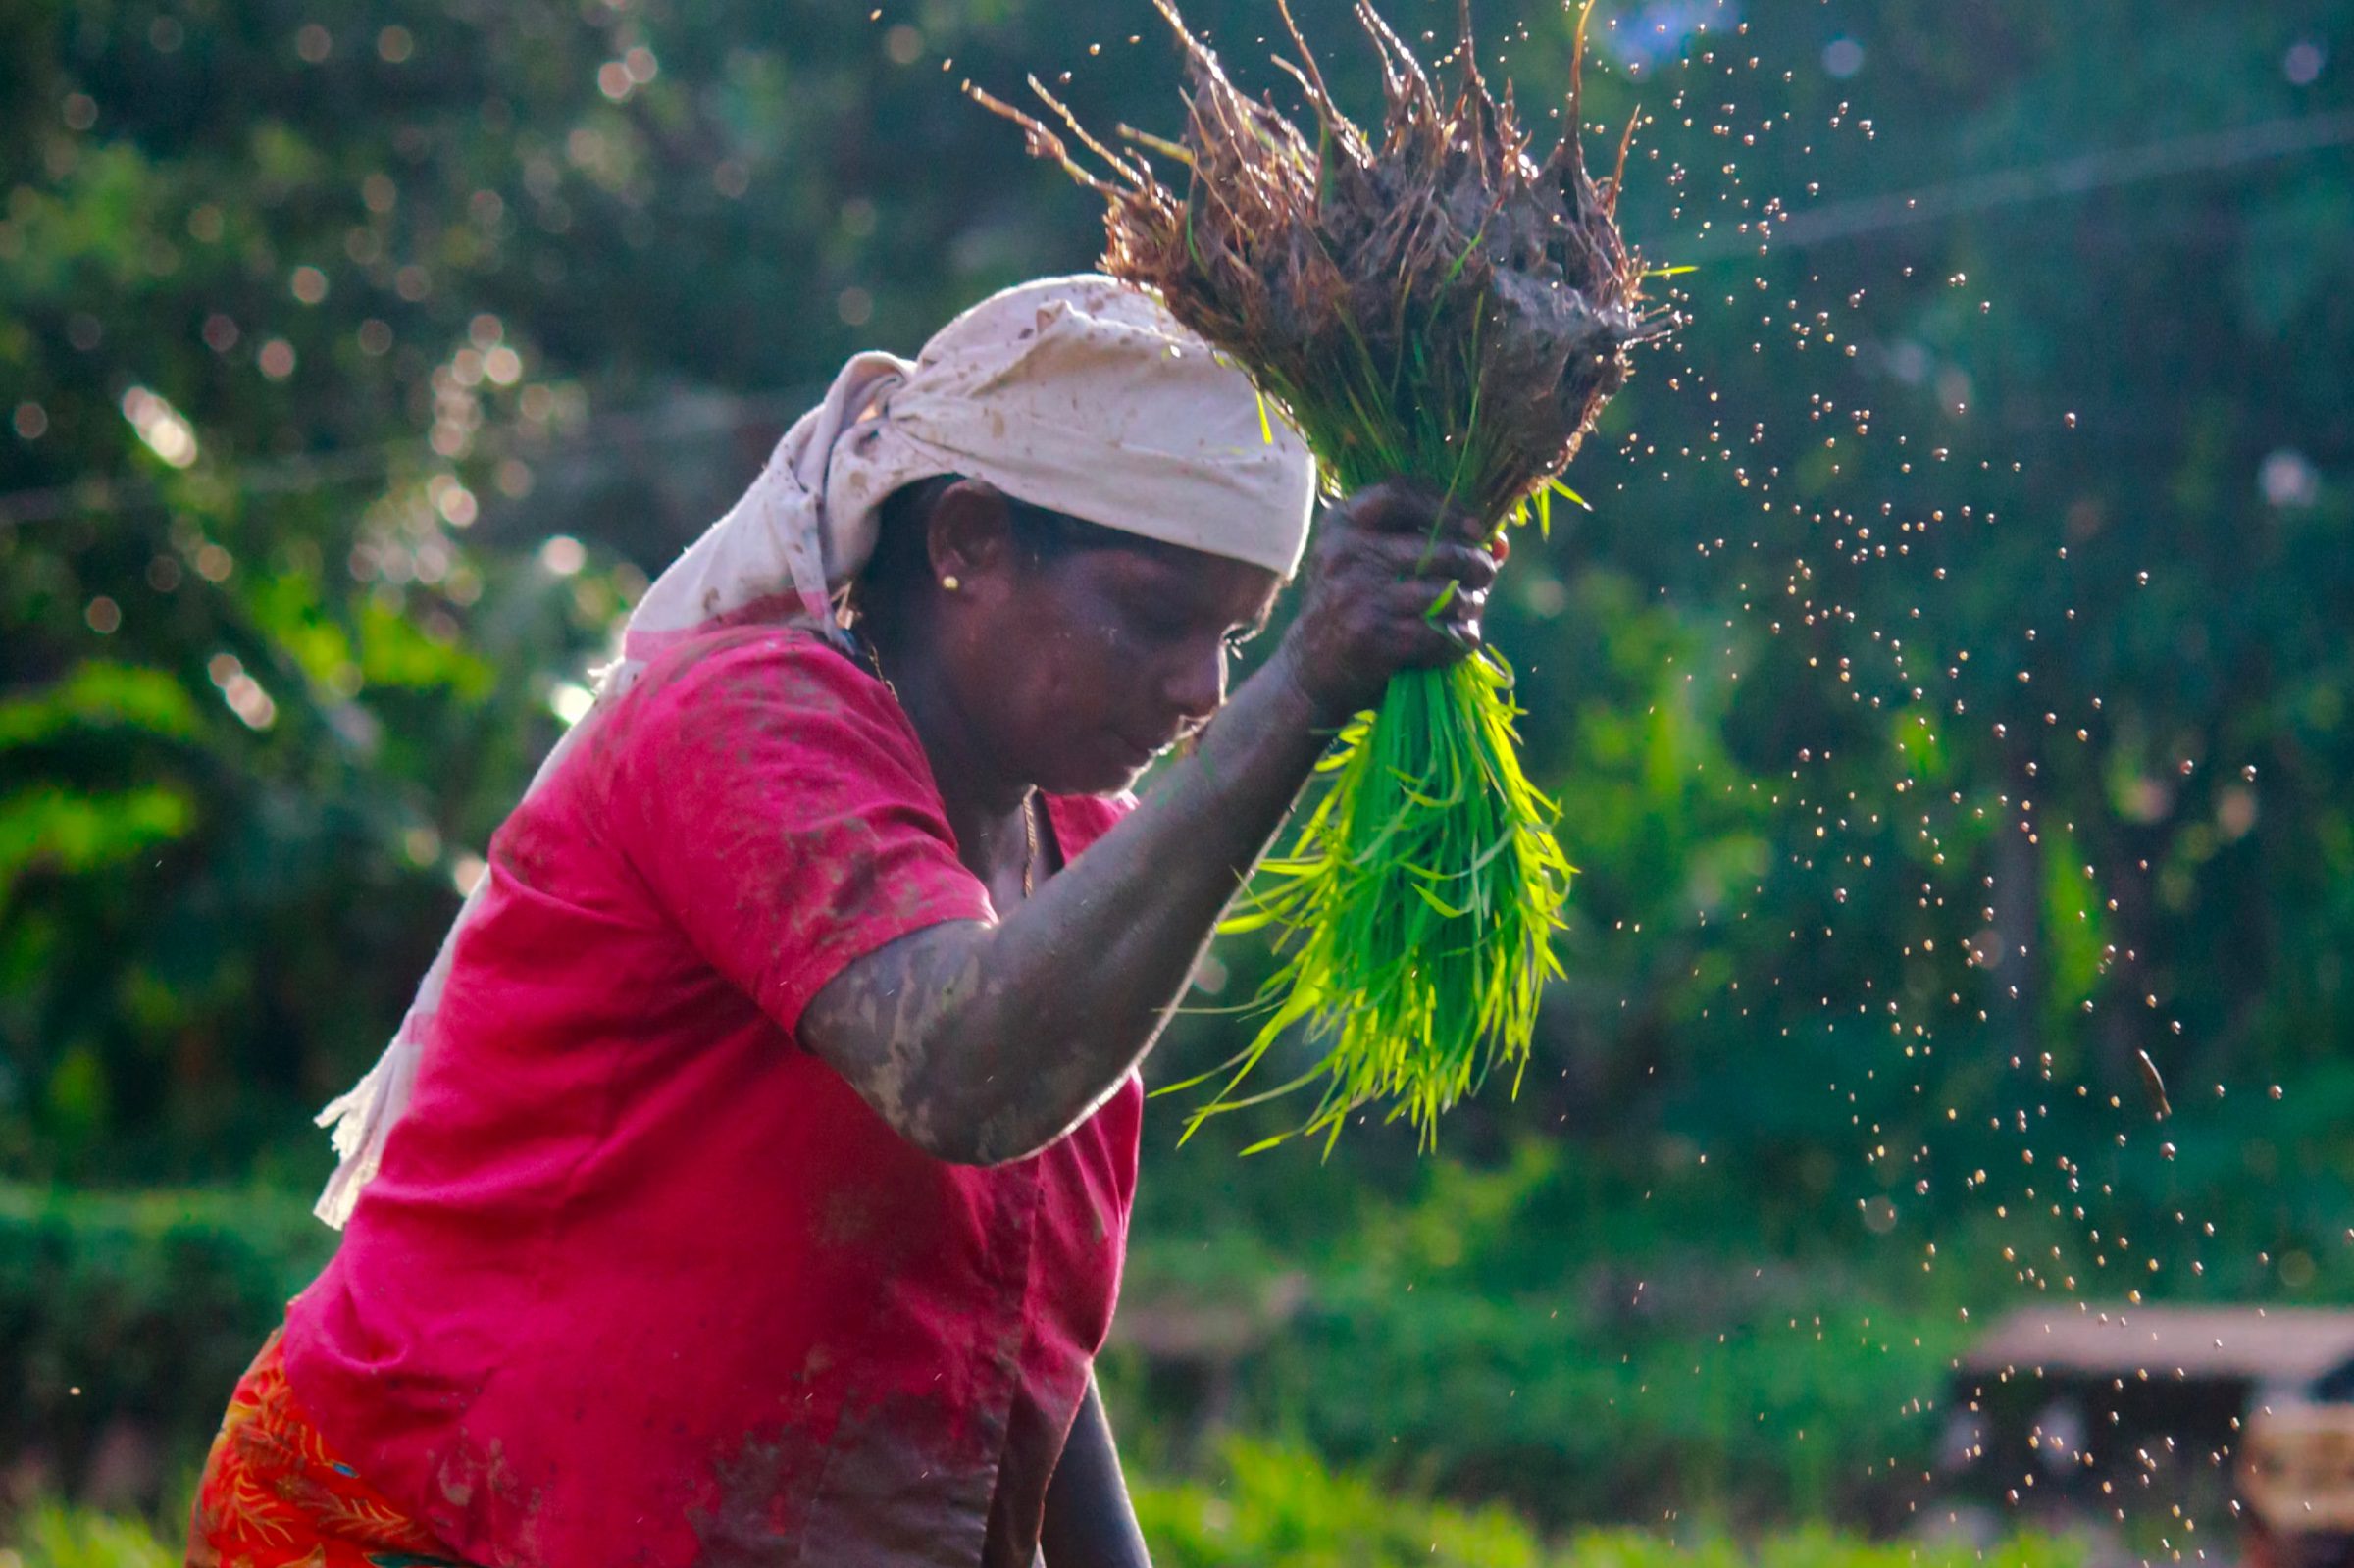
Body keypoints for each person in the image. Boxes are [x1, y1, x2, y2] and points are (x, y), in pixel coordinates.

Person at [186, 276, 1496, 1568]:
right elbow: (961, 1073)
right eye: (1158, 616)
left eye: (1242, 636)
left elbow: (1004, 1298)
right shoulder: (750, 727)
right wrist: (1307, 689)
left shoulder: (1083, 845)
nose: (1205, 687)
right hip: (436, 1522)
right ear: (967, 543)